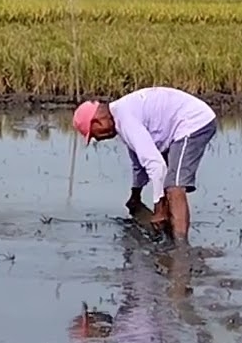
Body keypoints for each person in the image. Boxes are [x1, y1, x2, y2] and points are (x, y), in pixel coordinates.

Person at [71, 86, 217, 241]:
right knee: (167, 184)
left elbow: (156, 165)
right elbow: (139, 163)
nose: (98, 139)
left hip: (194, 123)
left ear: (97, 121)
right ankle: (170, 235)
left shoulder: (126, 119)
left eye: (94, 134)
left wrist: (158, 207)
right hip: (176, 128)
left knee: (174, 187)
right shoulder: (121, 118)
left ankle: (181, 249)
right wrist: (136, 195)